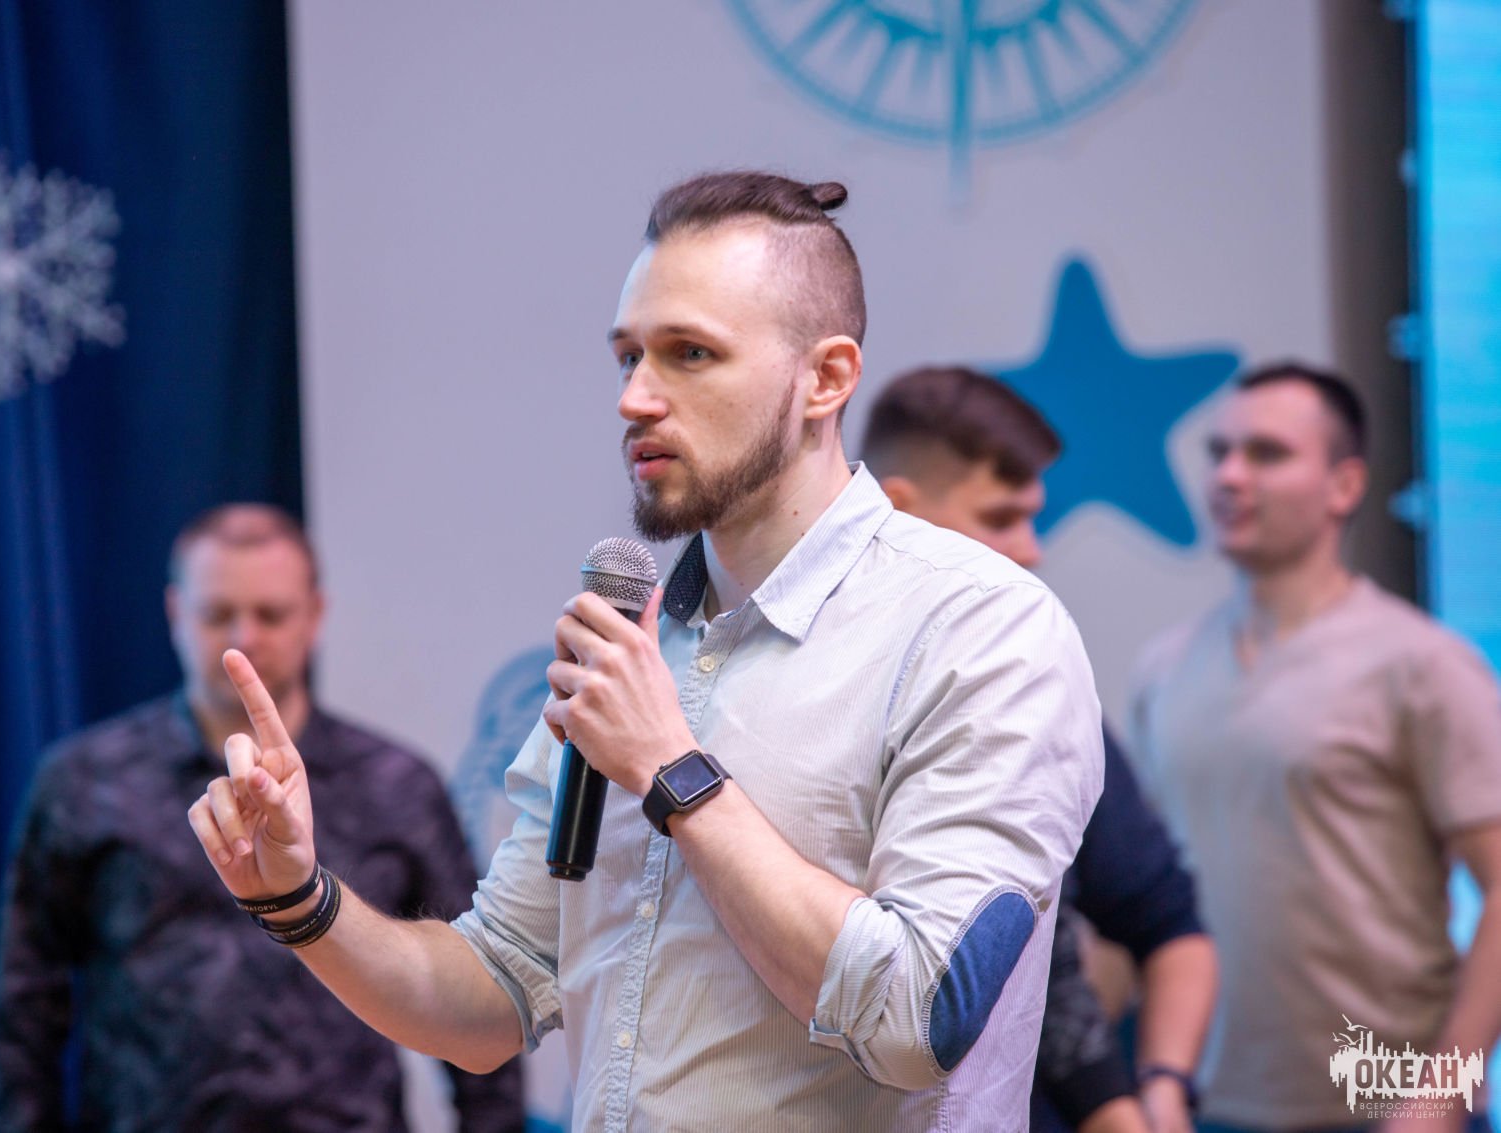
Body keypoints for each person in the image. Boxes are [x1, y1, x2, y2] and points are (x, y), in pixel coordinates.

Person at [188, 172, 1103, 1131]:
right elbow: (491, 994)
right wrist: (298, 897)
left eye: (690, 353)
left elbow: (920, 1018)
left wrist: (673, 767)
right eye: (628, 356)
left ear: (827, 378)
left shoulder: (981, 627)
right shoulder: (635, 641)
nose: (634, 399)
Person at [0, 504, 523, 1132]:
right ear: (176, 613)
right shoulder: (86, 782)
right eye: (217, 614)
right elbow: (23, 1013)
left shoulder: (397, 786)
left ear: (314, 614)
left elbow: (475, 992)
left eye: (271, 614)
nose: (245, 637)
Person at [1128, 363, 1501, 1133]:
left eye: (1266, 453)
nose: (1230, 475)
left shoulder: (1421, 663)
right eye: (1220, 451)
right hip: (1207, 1103)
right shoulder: (1165, 669)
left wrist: (1440, 1096)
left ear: (1344, 485)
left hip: (1383, 1098)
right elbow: (1140, 906)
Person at [861, 365, 1219, 1133]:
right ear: (899, 511)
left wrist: (1161, 1088)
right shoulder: (819, 695)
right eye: (1000, 518)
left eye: (1033, 518)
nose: (1030, 550)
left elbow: (1162, 921)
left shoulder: (1042, 695)